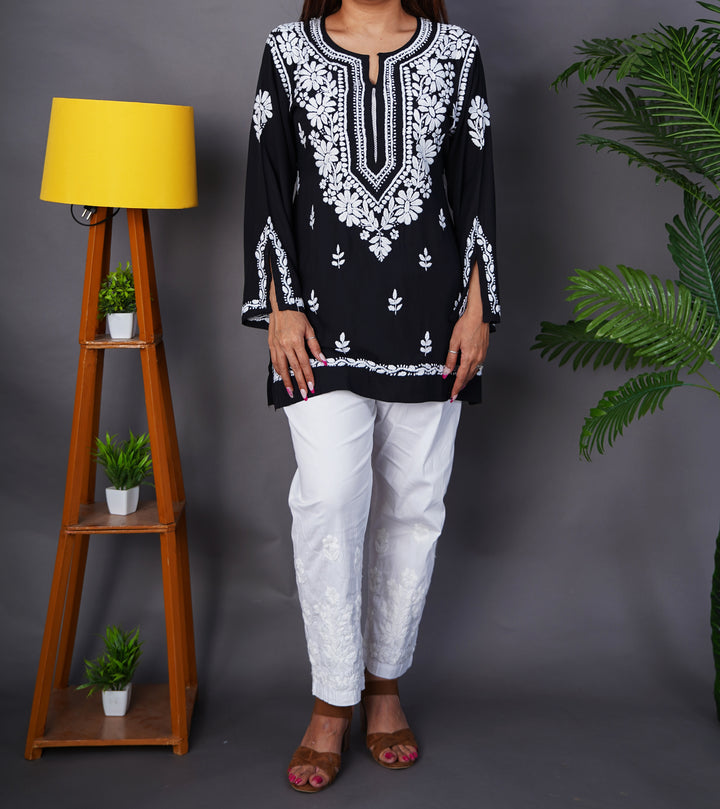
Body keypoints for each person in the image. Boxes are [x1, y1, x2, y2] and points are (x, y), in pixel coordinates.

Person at [242, 0, 499, 792]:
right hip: (319, 324)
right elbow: (268, 179)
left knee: (415, 506)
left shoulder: (456, 52)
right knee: (328, 503)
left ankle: (384, 687)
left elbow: (475, 183)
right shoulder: (288, 51)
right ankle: (331, 699)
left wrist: (478, 309)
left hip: (432, 324)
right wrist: (279, 305)